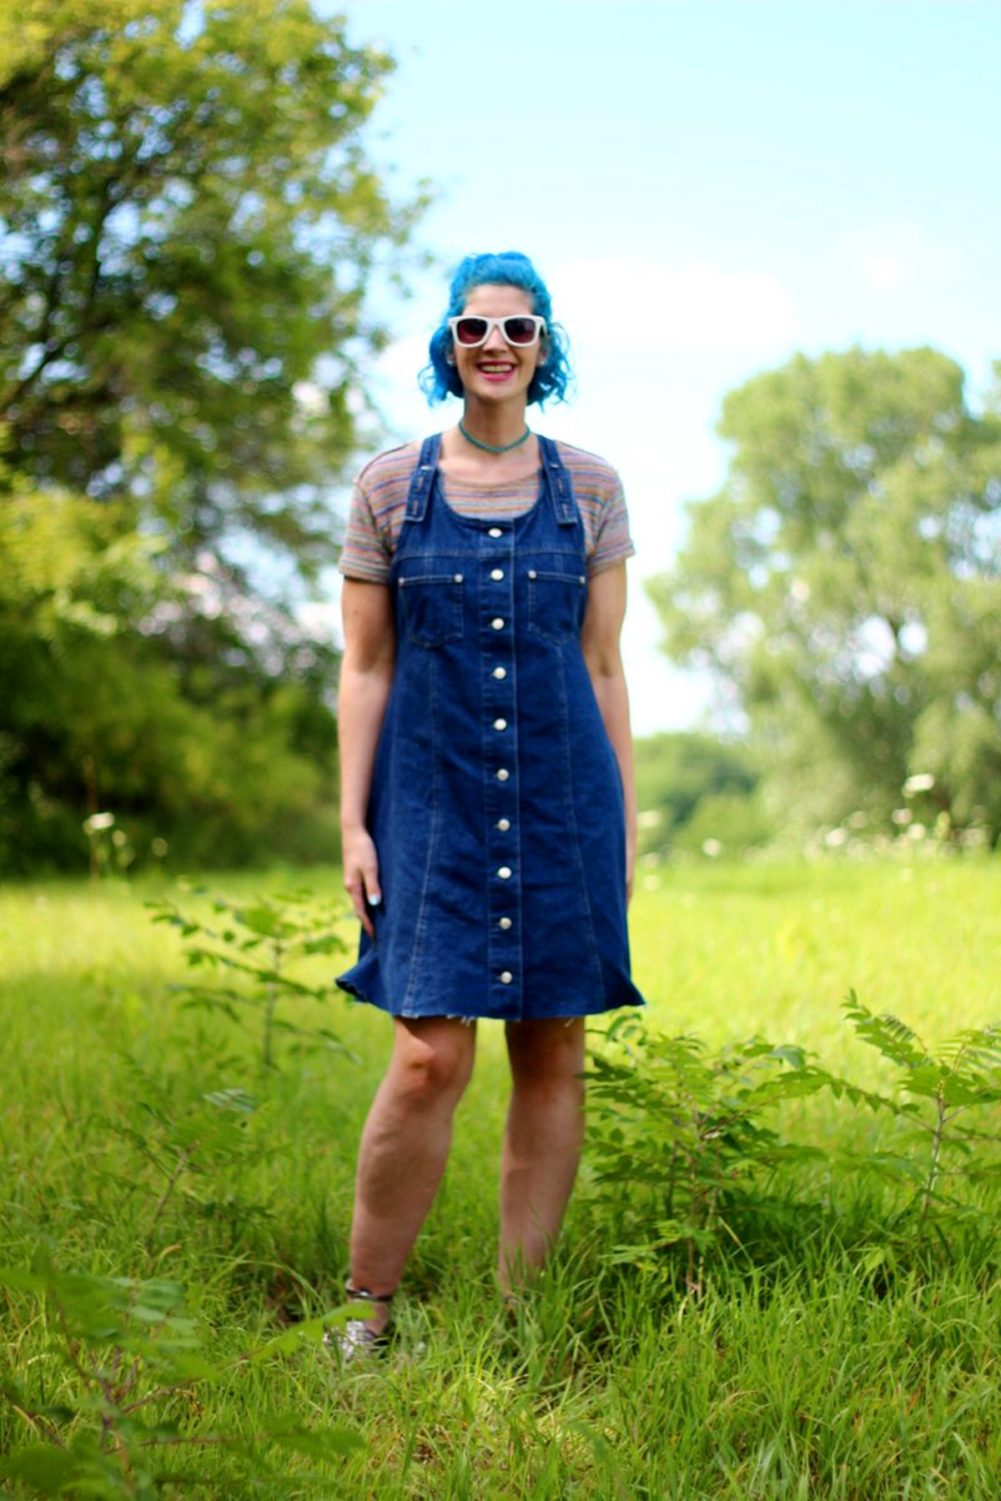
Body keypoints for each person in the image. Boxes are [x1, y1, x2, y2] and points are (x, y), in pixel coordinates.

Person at [332, 250, 644, 1358]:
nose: (495, 346)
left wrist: (624, 822)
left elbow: (602, 665)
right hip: (430, 800)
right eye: (475, 329)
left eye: (517, 328)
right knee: (428, 1055)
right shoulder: (385, 485)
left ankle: (521, 1317)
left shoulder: (594, 487)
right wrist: (353, 821)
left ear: (543, 346)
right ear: (447, 346)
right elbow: (364, 668)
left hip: (563, 799)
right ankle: (366, 1311)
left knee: (551, 1048)